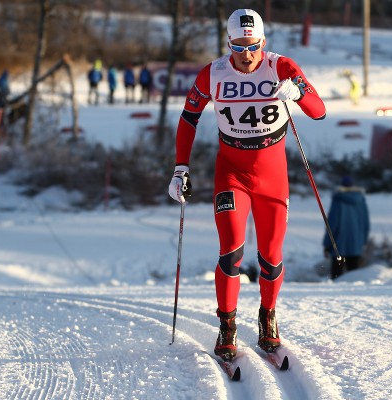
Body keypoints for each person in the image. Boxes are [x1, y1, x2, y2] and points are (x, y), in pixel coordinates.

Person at [167, 8, 326, 361]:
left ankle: (268, 316)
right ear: (228, 44)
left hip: (272, 176)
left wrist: (297, 91)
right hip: (231, 172)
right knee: (231, 250)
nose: (246, 54)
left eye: (252, 46)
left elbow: (319, 110)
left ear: (263, 42)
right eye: (238, 46)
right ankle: (227, 325)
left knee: (270, 258)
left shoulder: (281, 66)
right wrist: (180, 169)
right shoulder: (214, 73)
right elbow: (188, 118)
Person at [323, 176, 370, 279]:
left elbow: (332, 223)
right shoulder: (361, 200)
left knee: (337, 277)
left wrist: (327, 244)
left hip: (339, 245)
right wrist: (364, 241)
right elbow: (365, 223)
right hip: (356, 244)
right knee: (354, 277)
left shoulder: (338, 199)